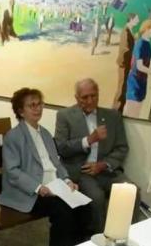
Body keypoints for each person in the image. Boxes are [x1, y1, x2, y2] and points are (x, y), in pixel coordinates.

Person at [1, 88, 91, 246]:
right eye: (32, 105)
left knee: (83, 205)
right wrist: (38, 188)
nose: (37, 108)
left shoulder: (45, 134)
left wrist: (67, 180)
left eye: (39, 104)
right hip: (29, 192)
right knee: (62, 210)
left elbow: (56, 163)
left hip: (54, 185)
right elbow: (13, 172)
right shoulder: (13, 137)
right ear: (21, 111)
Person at [54, 78, 135, 233]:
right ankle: (97, 238)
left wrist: (103, 164)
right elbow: (61, 148)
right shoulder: (65, 116)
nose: (90, 100)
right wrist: (88, 140)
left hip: (106, 169)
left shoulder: (113, 116)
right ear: (76, 98)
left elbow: (122, 148)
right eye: (85, 97)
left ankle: (128, 233)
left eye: (94, 96)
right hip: (82, 172)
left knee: (131, 190)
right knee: (96, 198)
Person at [123, 19, 151, 119]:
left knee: (136, 112)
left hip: (142, 81)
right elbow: (139, 66)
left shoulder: (147, 43)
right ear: (146, 29)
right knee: (132, 113)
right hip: (135, 82)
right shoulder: (140, 44)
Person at [114, 13, 140, 113]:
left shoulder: (128, 31)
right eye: (137, 19)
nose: (138, 21)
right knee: (121, 88)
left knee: (123, 87)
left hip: (125, 64)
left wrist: (135, 40)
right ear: (131, 20)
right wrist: (130, 62)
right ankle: (116, 110)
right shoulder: (126, 31)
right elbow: (125, 50)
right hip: (124, 64)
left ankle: (118, 110)